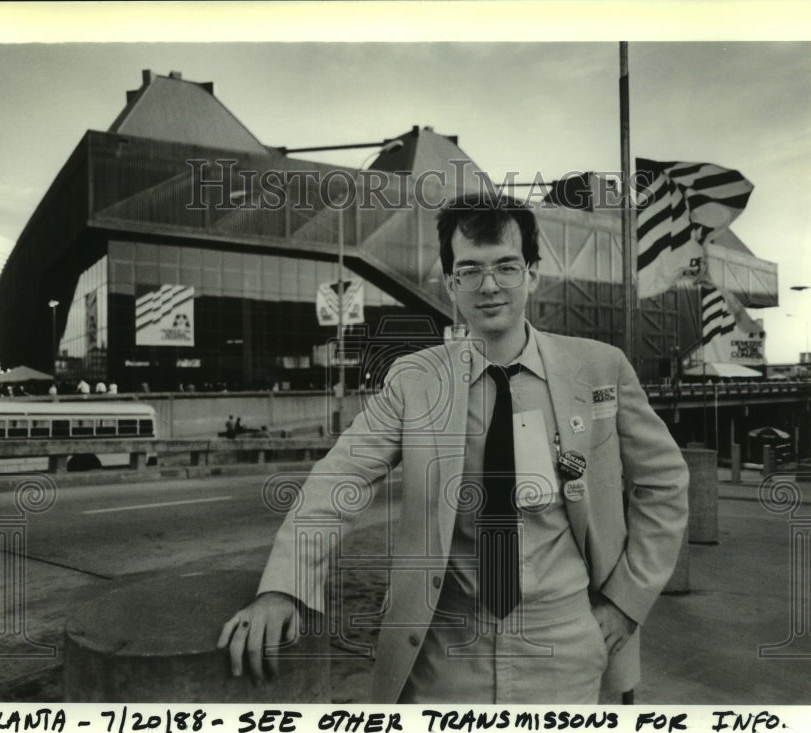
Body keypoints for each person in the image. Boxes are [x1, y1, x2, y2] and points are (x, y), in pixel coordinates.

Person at [219, 195, 689, 704]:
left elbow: (664, 481)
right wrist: (283, 587)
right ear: (450, 284)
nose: (489, 286)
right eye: (470, 270)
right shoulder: (415, 381)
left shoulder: (601, 368)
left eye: (506, 267)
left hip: (568, 645)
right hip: (445, 654)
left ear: (532, 274)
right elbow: (341, 480)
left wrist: (625, 602)